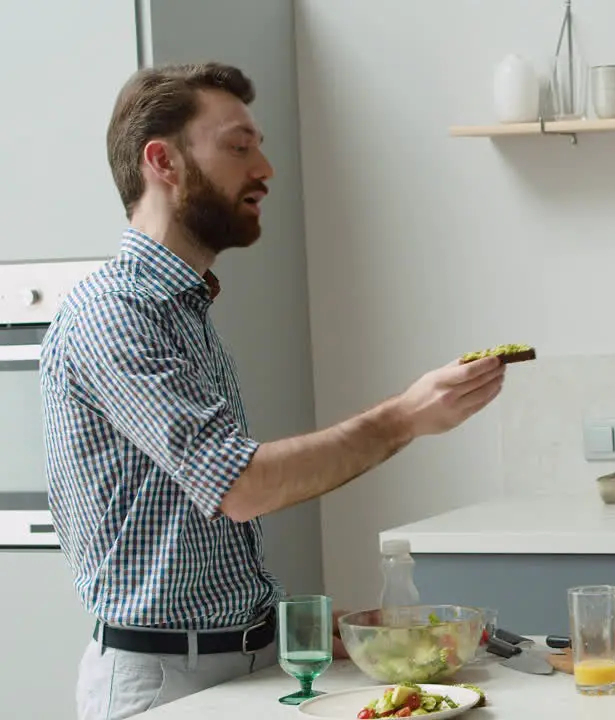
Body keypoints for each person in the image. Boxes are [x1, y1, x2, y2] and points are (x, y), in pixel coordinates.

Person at [40, 62, 506, 720]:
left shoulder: (185, 315)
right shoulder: (113, 314)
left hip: (245, 665)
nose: (265, 167)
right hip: (165, 684)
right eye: (239, 146)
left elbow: (189, 537)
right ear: (163, 161)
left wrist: (309, 629)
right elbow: (242, 487)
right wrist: (406, 416)